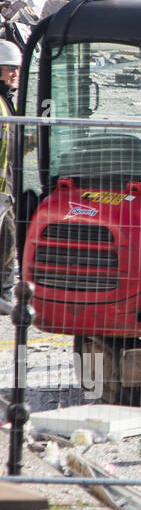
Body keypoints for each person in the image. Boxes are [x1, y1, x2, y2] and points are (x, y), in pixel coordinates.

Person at [0, 38, 21, 313]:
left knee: (8, 237)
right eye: (8, 68)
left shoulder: (7, 104)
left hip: (6, 189)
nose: (14, 73)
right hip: (2, 190)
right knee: (7, 237)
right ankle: (4, 292)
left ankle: (4, 290)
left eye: (16, 69)